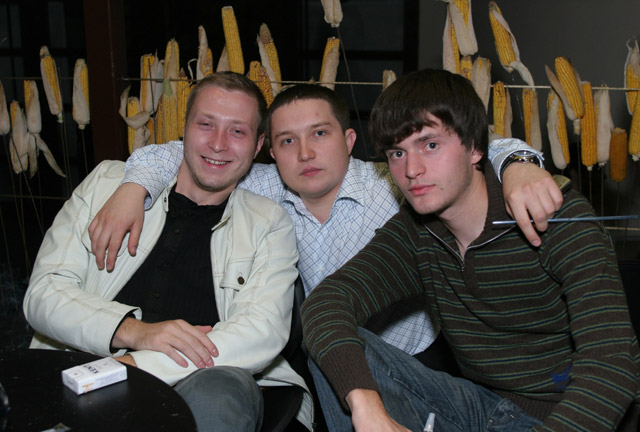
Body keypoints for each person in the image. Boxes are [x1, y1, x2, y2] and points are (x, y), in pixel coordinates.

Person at [88, 83, 562, 357]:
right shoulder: (264, 187)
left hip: (420, 352)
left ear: (349, 140)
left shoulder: (393, 183)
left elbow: (463, 147)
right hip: (331, 350)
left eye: (320, 134)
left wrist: (519, 164)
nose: (305, 153)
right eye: (287, 141)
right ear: (270, 152)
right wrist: (135, 187)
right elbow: (187, 154)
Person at [300, 68, 640, 432]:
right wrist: (366, 408)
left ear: (476, 148)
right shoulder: (417, 232)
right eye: (397, 152)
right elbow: (327, 302)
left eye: (430, 145)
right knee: (335, 350)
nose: (412, 169)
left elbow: (612, 364)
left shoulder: (556, 218)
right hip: (481, 408)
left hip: (562, 416)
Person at [23, 72, 312, 432]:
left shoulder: (268, 221)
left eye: (237, 131)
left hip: (199, 381)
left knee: (219, 393)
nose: (218, 144)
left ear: (257, 146)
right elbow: (44, 294)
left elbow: (260, 332)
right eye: (206, 124)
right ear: (184, 129)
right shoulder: (107, 186)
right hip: (86, 370)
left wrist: (136, 365)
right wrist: (135, 332)